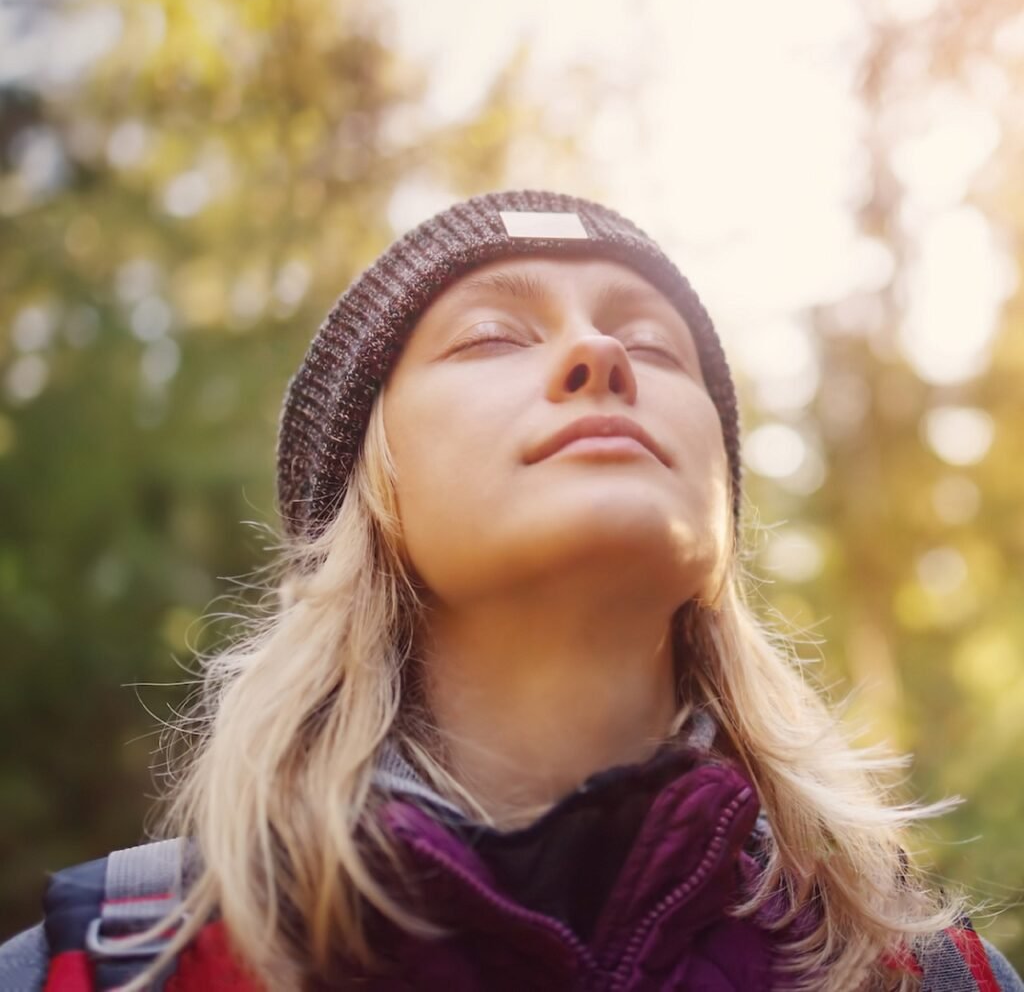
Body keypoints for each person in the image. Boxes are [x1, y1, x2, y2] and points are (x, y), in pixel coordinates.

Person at [2, 191, 1021, 991]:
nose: (602, 354)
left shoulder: (918, 975)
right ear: (368, 493)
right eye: (492, 336)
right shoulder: (106, 970)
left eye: (657, 347)